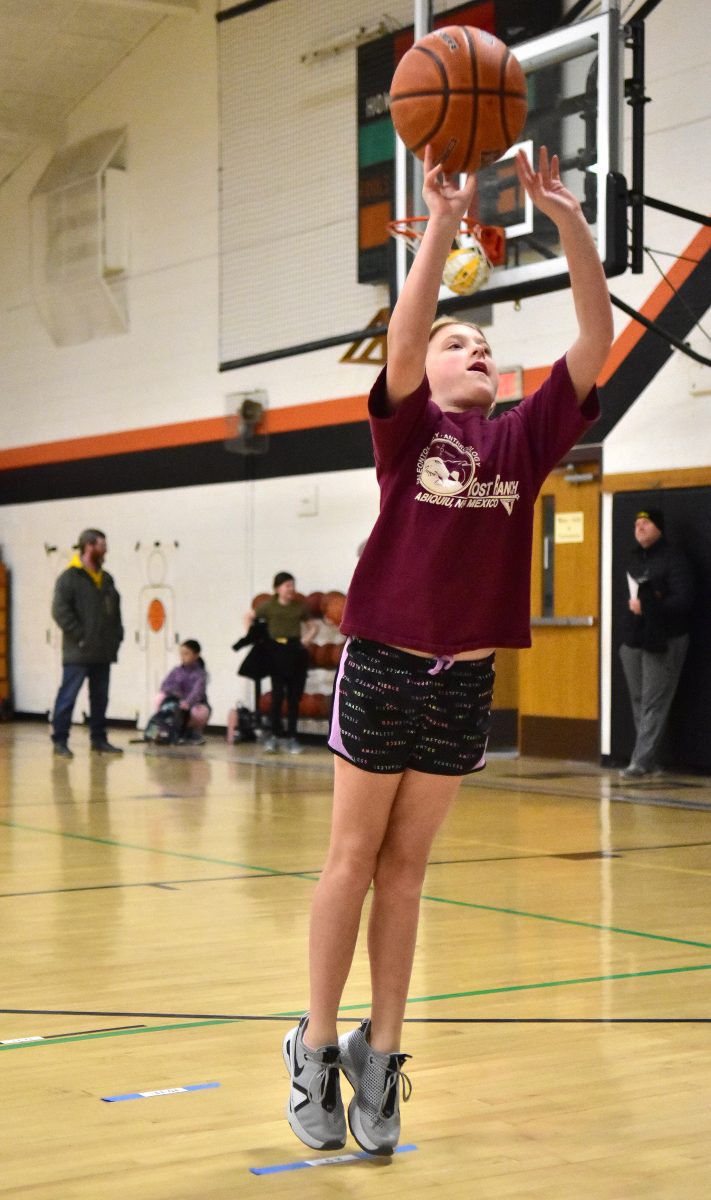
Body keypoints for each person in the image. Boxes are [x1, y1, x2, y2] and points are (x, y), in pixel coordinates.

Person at [282, 145, 613, 1156]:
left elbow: (595, 338)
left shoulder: (522, 441)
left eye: (485, 347)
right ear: (421, 368)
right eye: (457, 342)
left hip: (465, 676)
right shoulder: (407, 430)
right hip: (383, 659)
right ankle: (315, 1045)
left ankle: (382, 1060)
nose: (475, 351)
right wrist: (438, 227)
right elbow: (413, 325)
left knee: (410, 872)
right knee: (354, 858)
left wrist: (567, 224)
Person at [618, 508, 694, 779]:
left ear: (659, 528)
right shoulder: (634, 559)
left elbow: (684, 600)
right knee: (639, 701)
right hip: (635, 638)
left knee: (654, 702)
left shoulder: (674, 559)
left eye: (646, 523)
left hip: (663, 639)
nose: (639, 528)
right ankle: (648, 759)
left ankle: (640, 761)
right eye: (636, 523)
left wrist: (649, 604)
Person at [50, 528, 124, 757]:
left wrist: (117, 636)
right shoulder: (69, 577)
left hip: (103, 651)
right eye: (102, 545)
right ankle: (60, 741)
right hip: (78, 652)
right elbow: (59, 611)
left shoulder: (107, 578)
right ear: (89, 546)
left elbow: (115, 611)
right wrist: (80, 635)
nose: (106, 550)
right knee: (68, 697)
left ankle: (99, 739)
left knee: (100, 698)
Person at [251, 572, 317, 754]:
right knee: (277, 696)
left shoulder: (299, 607)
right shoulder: (268, 606)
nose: (291, 589)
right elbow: (249, 617)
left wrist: (305, 640)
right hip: (276, 652)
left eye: (292, 585)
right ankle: (274, 735)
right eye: (287, 586)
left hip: (295, 651)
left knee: (294, 697)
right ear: (277, 588)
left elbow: (313, 626)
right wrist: (256, 639)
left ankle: (292, 737)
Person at [152, 639, 211, 745]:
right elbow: (165, 685)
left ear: (196, 655)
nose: (183, 656)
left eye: (186, 654)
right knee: (160, 697)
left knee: (197, 711)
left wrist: (187, 702)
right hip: (177, 701)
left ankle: (193, 731)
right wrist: (176, 695)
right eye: (181, 654)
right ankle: (165, 730)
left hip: (195, 705)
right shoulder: (176, 670)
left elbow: (198, 692)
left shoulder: (200, 674)